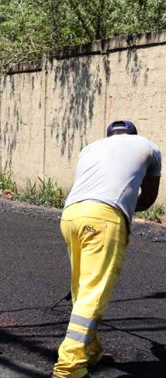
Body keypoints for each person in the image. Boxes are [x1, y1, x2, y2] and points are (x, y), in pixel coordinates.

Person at [52, 120, 161, 378]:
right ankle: (69, 366)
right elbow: (147, 199)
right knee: (94, 292)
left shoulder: (90, 148)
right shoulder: (148, 147)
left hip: (71, 215)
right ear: (133, 134)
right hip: (103, 218)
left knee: (82, 287)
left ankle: (89, 350)